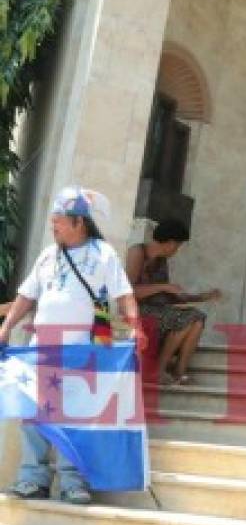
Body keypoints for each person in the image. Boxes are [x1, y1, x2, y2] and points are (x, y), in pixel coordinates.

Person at [0, 186, 145, 504]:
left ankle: (72, 481)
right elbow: (27, 296)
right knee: (35, 414)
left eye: (59, 222)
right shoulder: (48, 255)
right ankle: (32, 478)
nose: (53, 227)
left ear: (79, 222)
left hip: (84, 349)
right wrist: (7, 326)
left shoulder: (102, 254)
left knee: (75, 416)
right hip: (42, 348)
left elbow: (124, 296)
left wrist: (136, 327)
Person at [126, 219, 220, 385]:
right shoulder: (138, 252)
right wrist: (163, 286)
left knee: (197, 318)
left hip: (159, 310)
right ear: (170, 243)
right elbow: (129, 291)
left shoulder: (161, 260)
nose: (177, 250)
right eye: (178, 246)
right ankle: (158, 370)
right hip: (138, 310)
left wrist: (200, 297)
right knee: (186, 319)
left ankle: (179, 371)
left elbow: (168, 295)